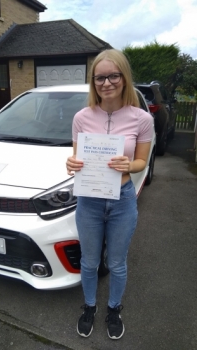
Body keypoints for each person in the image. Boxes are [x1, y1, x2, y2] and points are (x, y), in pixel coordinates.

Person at [66, 49, 154, 340]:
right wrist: (71, 163)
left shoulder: (141, 118)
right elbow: (77, 158)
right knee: (89, 262)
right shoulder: (81, 117)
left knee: (117, 262)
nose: (106, 83)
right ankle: (89, 306)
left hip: (122, 199)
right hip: (89, 201)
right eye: (100, 77)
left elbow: (142, 161)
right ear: (93, 81)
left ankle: (114, 308)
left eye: (113, 76)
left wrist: (130, 164)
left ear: (123, 77)